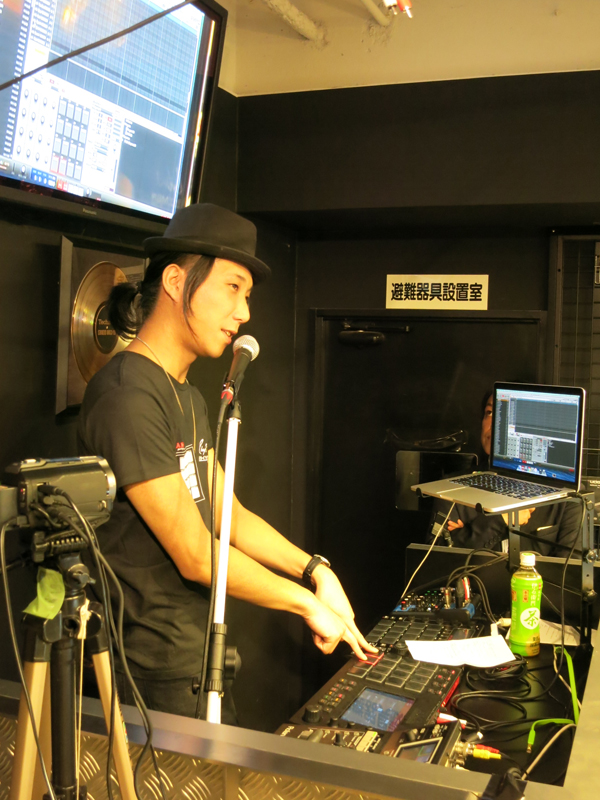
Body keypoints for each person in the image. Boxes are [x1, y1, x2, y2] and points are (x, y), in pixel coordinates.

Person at [78, 203, 376, 720]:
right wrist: (305, 603)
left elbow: (228, 514)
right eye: (233, 288)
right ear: (176, 282)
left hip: (195, 660)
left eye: (247, 295)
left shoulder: (187, 395)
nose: (244, 313)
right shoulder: (127, 395)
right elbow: (196, 554)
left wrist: (314, 570)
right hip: (146, 673)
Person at [434, 390, 582, 555]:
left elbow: (572, 567)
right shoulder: (450, 488)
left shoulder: (568, 496)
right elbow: (435, 557)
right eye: (490, 413)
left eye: (508, 415)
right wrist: (500, 520)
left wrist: (467, 535)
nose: (498, 424)